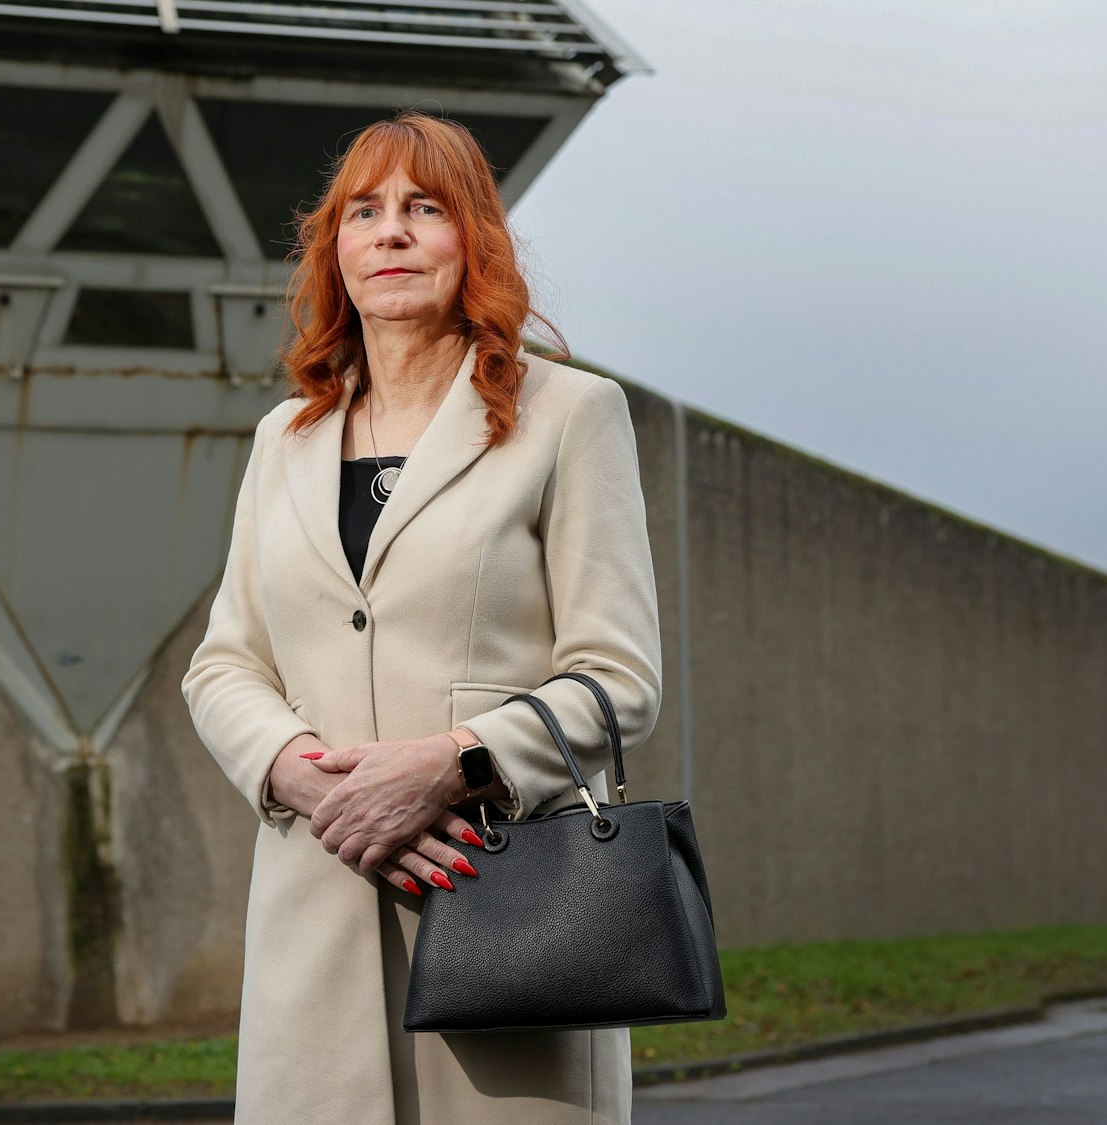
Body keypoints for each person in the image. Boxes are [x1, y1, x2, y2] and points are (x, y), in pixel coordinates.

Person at [180, 109, 662, 1125]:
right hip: (315, 920)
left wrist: (451, 761)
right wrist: (311, 782)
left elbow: (619, 680)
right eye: (363, 212)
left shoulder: (571, 415)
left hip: (506, 916)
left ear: (473, 239)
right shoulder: (283, 437)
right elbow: (224, 664)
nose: (390, 232)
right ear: (335, 250)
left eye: (423, 208)